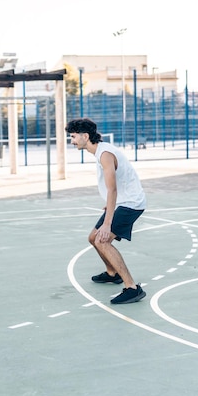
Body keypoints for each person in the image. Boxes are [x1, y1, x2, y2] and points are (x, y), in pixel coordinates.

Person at [66, 118, 147, 304]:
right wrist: (111, 206)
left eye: (73, 136)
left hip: (131, 203)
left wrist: (107, 222)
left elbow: (112, 189)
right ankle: (113, 273)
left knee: (102, 241)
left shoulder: (105, 154)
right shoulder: (100, 151)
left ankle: (132, 288)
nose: (72, 141)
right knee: (92, 238)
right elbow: (115, 188)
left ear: (85, 136)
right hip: (123, 201)